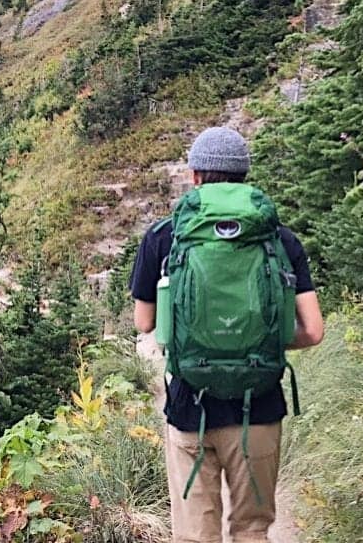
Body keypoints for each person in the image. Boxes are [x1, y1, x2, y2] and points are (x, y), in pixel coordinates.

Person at [129, 127, 324, 543]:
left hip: (189, 408)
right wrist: (258, 340)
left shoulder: (165, 236)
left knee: (195, 535)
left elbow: (145, 323)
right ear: (244, 177)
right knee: (252, 529)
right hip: (260, 405)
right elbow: (312, 330)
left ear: (195, 175)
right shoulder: (278, 239)